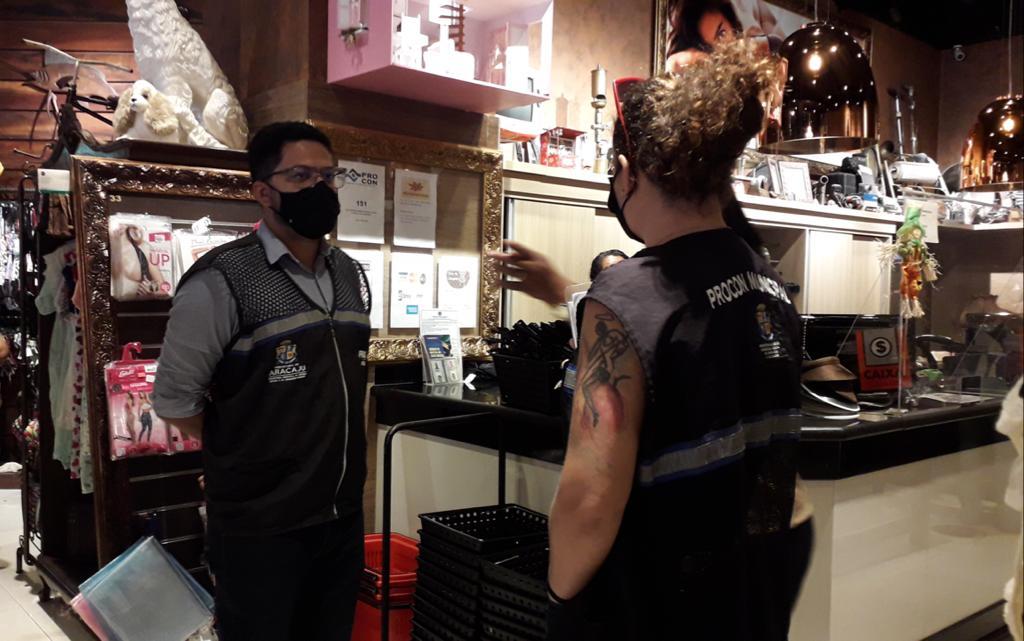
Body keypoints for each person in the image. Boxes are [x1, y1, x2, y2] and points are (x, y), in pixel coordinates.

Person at [537, 41, 801, 640]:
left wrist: (559, 600)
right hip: (752, 602)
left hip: (654, 610)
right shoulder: (769, 283)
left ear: (629, 171)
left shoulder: (627, 296)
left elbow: (590, 498)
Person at [153, 122, 371, 641]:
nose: (319, 188)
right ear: (262, 191)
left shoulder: (349, 273)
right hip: (259, 523)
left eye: (328, 176)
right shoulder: (222, 279)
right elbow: (175, 402)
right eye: (300, 176)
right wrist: (243, 448)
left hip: (339, 514)